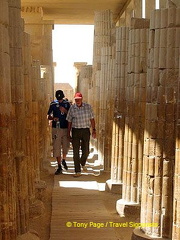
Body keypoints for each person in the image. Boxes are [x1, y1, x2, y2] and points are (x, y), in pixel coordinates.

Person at [66, 92, 96, 177]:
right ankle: (77, 170)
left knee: (86, 151)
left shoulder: (88, 107)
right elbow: (69, 121)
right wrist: (68, 133)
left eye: (78, 99)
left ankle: (82, 162)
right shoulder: (72, 108)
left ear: (82, 99)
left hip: (85, 130)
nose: (77, 101)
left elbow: (92, 119)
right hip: (75, 131)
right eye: (76, 100)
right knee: (76, 151)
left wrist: (94, 130)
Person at [47, 90, 70, 175]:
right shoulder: (53, 104)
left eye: (61, 98)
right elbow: (48, 115)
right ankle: (59, 165)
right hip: (56, 128)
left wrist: (65, 111)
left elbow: (71, 115)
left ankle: (64, 160)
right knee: (56, 147)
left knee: (65, 146)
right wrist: (53, 118)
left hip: (65, 127)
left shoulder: (67, 104)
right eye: (58, 98)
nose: (60, 100)